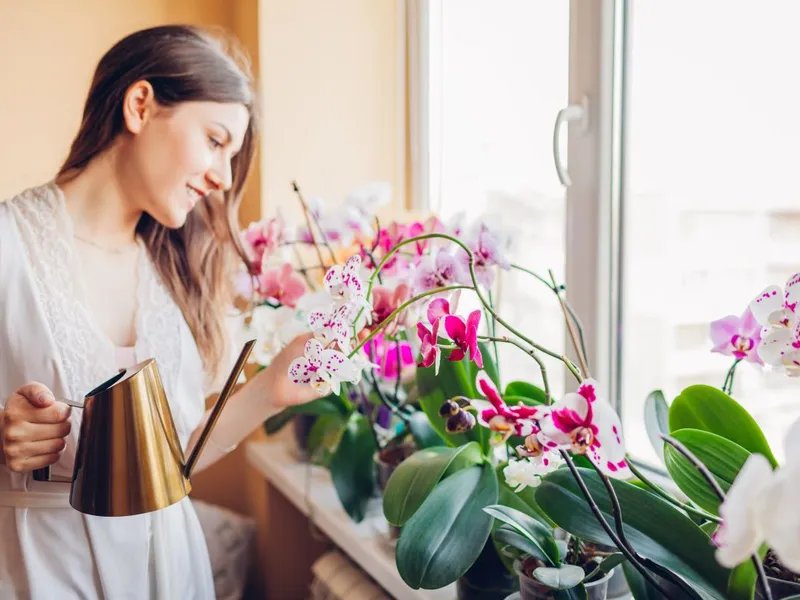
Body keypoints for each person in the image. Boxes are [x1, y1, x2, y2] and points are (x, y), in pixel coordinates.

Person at [0, 25, 317, 599]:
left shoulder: (178, 273)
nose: (223, 176)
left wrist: (274, 388)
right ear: (141, 104)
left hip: (168, 570)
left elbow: (175, 461)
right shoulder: (7, 247)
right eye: (216, 140)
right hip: (36, 569)